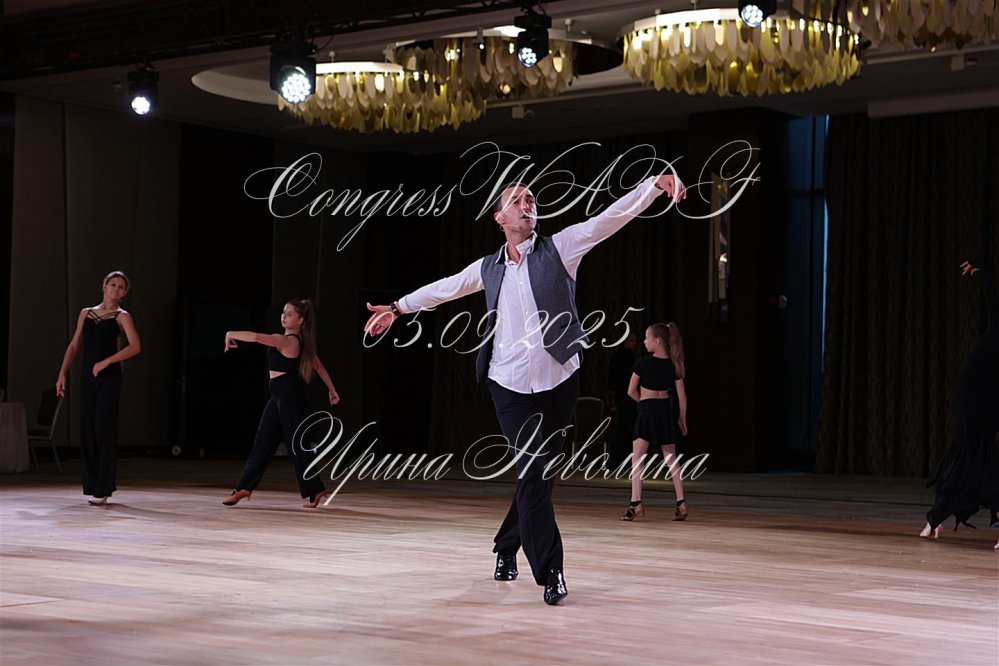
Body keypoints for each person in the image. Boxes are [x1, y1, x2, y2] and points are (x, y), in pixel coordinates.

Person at [364, 173, 686, 604]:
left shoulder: (561, 248)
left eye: (530, 199)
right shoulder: (487, 267)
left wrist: (653, 186)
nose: (527, 205)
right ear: (500, 218)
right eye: (516, 201)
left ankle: (505, 546)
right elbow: (446, 289)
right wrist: (398, 308)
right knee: (534, 471)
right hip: (509, 384)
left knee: (539, 477)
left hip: (559, 380)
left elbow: (608, 220)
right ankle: (551, 571)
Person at [221, 299, 340, 509]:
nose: (284, 316)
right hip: (278, 395)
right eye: (284, 312)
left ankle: (315, 489)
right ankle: (244, 487)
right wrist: (332, 390)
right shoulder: (297, 342)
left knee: (296, 445)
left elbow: (256, 337)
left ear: (300, 320)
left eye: (290, 314)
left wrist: (230, 333)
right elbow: (318, 365)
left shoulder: (288, 341)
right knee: (263, 441)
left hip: (288, 396)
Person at [921, 260, 999, 549]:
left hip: (988, 398)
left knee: (978, 454)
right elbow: (992, 298)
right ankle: (937, 516)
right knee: (968, 451)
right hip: (972, 394)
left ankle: (937, 516)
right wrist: (983, 271)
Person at [56, 271, 142, 505]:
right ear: (104, 287)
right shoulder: (86, 313)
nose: (116, 289)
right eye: (112, 284)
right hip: (88, 375)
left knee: (103, 427)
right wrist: (62, 372)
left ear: (124, 293)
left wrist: (107, 361)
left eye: (121, 287)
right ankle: (93, 485)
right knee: (87, 428)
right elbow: (74, 345)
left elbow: (135, 346)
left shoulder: (122, 316)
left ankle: (104, 488)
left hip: (109, 376)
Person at [620, 322, 688, 522]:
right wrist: (682, 418)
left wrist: (643, 403)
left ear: (657, 341)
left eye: (647, 338)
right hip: (665, 411)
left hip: (647, 411)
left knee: (637, 459)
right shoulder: (674, 365)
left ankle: (636, 504)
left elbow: (631, 391)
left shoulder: (642, 363)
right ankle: (681, 502)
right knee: (671, 458)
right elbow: (682, 397)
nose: (644, 341)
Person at [607, 332, 640, 467]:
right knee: (626, 427)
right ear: (625, 342)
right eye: (632, 341)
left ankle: (620, 458)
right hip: (626, 396)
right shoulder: (628, 358)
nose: (634, 344)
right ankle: (624, 458)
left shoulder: (620, 356)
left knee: (623, 427)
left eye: (635, 341)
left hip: (622, 395)